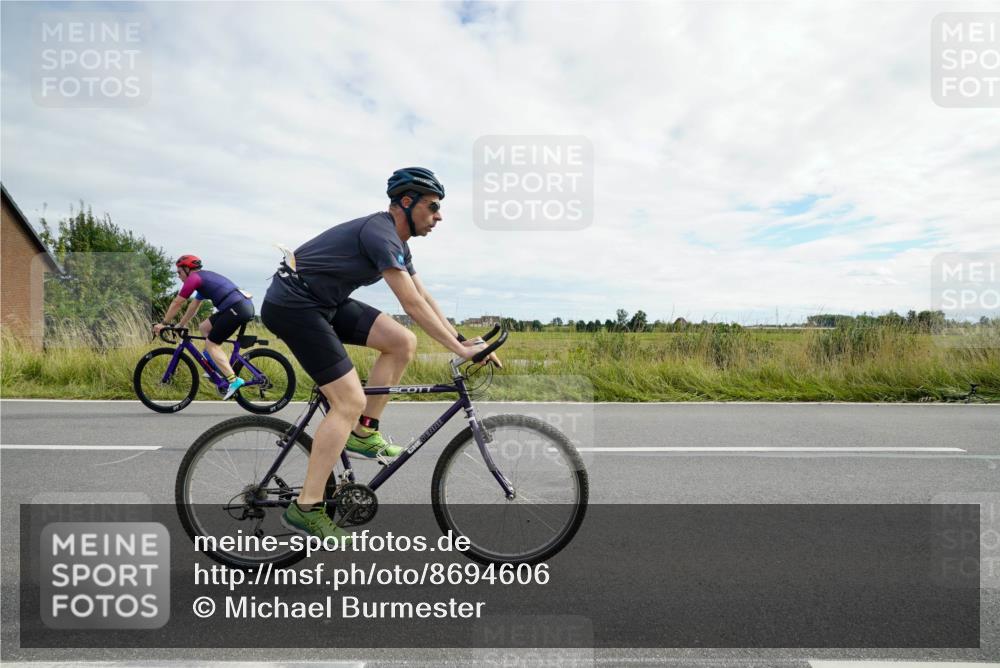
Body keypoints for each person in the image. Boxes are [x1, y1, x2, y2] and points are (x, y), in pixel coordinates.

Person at [261, 167, 500, 542]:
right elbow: (409, 302)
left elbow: (425, 298)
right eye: (433, 207)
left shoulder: (401, 243)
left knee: (402, 341)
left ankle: (363, 432)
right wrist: (457, 350)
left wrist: (462, 340)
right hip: (294, 304)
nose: (439, 216)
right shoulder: (379, 233)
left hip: (326, 301)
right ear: (407, 203)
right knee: (348, 400)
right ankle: (306, 507)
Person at [153, 255, 255, 400]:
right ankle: (216, 368)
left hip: (236, 308)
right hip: (236, 306)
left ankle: (233, 380)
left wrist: (163, 323)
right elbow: (194, 305)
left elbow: (178, 302)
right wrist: (180, 325)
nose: (178, 276)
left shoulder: (194, 279)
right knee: (204, 327)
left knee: (211, 344)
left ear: (188, 269)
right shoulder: (202, 280)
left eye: (179, 272)